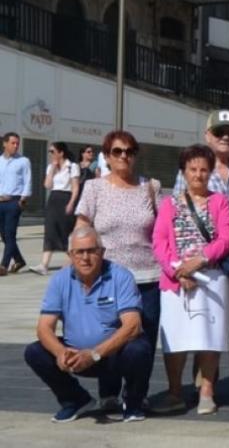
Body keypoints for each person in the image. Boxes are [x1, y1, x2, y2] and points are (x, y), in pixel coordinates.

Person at [24, 226, 153, 423]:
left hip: (112, 356)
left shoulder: (121, 276)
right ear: (70, 255)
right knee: (34, 352)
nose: (85, 258)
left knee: (139, 348)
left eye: (92, 251)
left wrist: (94, 354)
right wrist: (60, 353)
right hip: (76, 355)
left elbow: (132, 326)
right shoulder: (59, 280)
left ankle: (133, 402)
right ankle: (75, 400)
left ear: (102, 252)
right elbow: (44, 328)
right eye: (79, 252)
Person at [172, 109, 229, 397]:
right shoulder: (192, 170)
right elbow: (178, 216)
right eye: (219, 132)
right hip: (204, 264)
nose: (225, 137)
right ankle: (204, 383)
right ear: (207, 135)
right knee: (206, 323)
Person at [150, 145, 229, 415]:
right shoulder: (169, 203)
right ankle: (175, 391)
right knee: (175, 338)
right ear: (184, 172)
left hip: (211, 277)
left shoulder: (220, 202)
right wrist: (179, 270)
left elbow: (227, 238)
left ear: (210, 172)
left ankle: (207, 390)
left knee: (210, 336)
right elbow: (159, 241)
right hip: (176, 280)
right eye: (193, 169)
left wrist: (199, 260)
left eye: (203, 170)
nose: (198, 175)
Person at [75, 130, 163, 390]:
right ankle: (109, 392)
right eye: (117, 151)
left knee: (143, 341)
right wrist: (80, 264)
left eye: (129, 151)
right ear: (107, 157)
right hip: (107, 279)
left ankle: (137, 395)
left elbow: (163, 231)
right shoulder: (94, 188)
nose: (124, 156)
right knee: (109, 336)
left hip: (147, 278)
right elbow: (82, 226)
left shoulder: (151, 187)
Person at [36, 142, 80, 275]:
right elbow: (47, 185)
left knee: (63, 232)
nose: (50, 154)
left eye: (52, 151)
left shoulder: (72, 166)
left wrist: (71, 203)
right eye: (49, 151)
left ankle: (76, 258)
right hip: (53, 199)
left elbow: (75, 188)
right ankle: (44, 264)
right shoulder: (51, 167)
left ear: (61, 153)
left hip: (66, 199)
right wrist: (53, 170)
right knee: (49, 230)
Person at [0, 131, 32, 274]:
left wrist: (23, 199)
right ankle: (19, 260)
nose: (16, 146)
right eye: (13, 143)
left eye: (17, 143)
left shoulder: (23, 161)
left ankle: (3, 266)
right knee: (4, 235)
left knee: (10, 234)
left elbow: (28, 180)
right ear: (4, 143)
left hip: (14, 202)